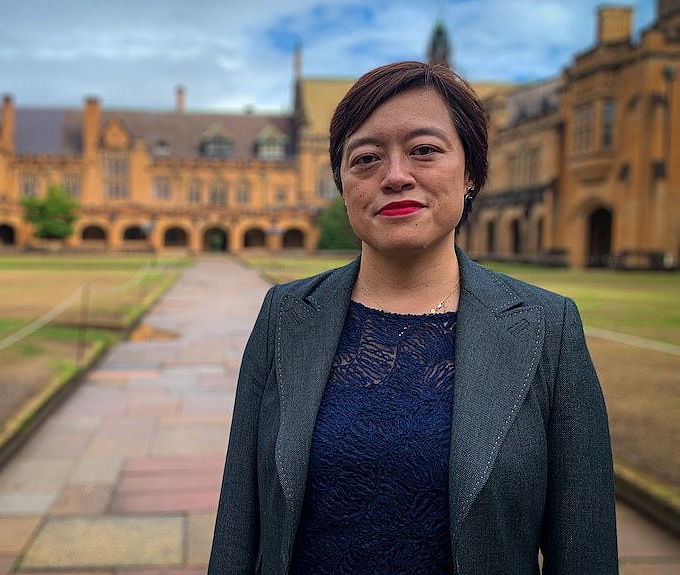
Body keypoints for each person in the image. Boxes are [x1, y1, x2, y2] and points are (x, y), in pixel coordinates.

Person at [208, 61, 617, 574]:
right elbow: (237, 528)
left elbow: (585, 548)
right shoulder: (285, 315)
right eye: (366, 158)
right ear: (341, 182)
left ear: (471, 172)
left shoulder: (547, 327)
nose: (396, 175)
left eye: (424, 150)